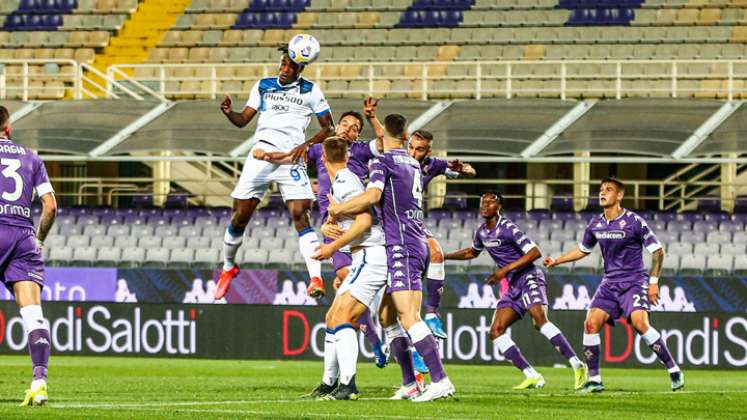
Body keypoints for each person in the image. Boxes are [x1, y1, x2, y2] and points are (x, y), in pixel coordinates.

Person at [328, 114, 455, 402]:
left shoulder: (382, 161)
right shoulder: (412, 162)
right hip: (415, 241)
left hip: (402, 246)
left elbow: (373, 196)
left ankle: (440, 379)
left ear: (382, 133)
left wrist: (338, 210)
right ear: (407, 135)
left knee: (409, 316)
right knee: (387, 317)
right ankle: (411, 382)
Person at [255, 98, 389, 367]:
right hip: (332, 227)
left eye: (354, 127)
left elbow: (385, 143)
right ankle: (374, 339)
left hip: (356, 225)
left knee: (348, 289)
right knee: (345, 281)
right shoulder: (319, 150)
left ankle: (379, 330)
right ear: (337, 126)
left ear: (358, 134)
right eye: (345, 124)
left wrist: (372, 117)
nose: (348, 129)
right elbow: (294, 155)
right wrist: (269, 156)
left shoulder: (360, 151)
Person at [215, 46, 335, 300]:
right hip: (260, 155)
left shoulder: (311, 90)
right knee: (240, 216)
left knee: (300, 213)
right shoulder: (263, 85)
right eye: (282, 64)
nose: (284, 69)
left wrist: (307, 144)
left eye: (290, 66)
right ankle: (228, 267)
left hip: (291, 157)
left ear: (300, 68)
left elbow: (329, 128)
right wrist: (229, 113)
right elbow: (243, 120)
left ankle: (315, 277)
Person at [543, 178, 684, 393]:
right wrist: (557, 260)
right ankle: (595, 380)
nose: (602, 193)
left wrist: (653, 283)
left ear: (619, 196)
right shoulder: (595, 224)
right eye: (600, 190)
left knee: (639, 323)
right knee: (590, 323)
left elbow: (658, 251)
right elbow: (583, 249)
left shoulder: (634, 222)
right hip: (609, 283)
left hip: (634, 282)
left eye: (608, 190)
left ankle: (674, 369)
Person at [444, 192, 587, 390]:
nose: (484, 205)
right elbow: (471, 252)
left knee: (539, 320)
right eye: (482, 202)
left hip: (529, 278)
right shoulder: (481, 232)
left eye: (490, 202)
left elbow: (535, 252)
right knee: (495, 331)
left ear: (499, 206)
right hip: (512, 286)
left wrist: (505, 269)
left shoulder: (508, 228)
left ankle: (577, 364)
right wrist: (444, 256)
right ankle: (532, 375)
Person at [301, 137, 388, 400]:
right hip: (363, 256)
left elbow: (364, 220)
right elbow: (349, 219)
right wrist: (330, 226)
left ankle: (348, 385)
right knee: (332, 318)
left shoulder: (347, 181)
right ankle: (329, 383)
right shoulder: (343, 181)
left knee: (343, 318)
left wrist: (331, 247)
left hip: (371, 256)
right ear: (347, 157)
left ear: (323, 160)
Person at [0, 105, 56, 406]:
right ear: (8, 128)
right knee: (33, 313)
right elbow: (50, 206)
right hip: (23, 237)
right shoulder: (31, 157)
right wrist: (39, 240)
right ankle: (39, 383)